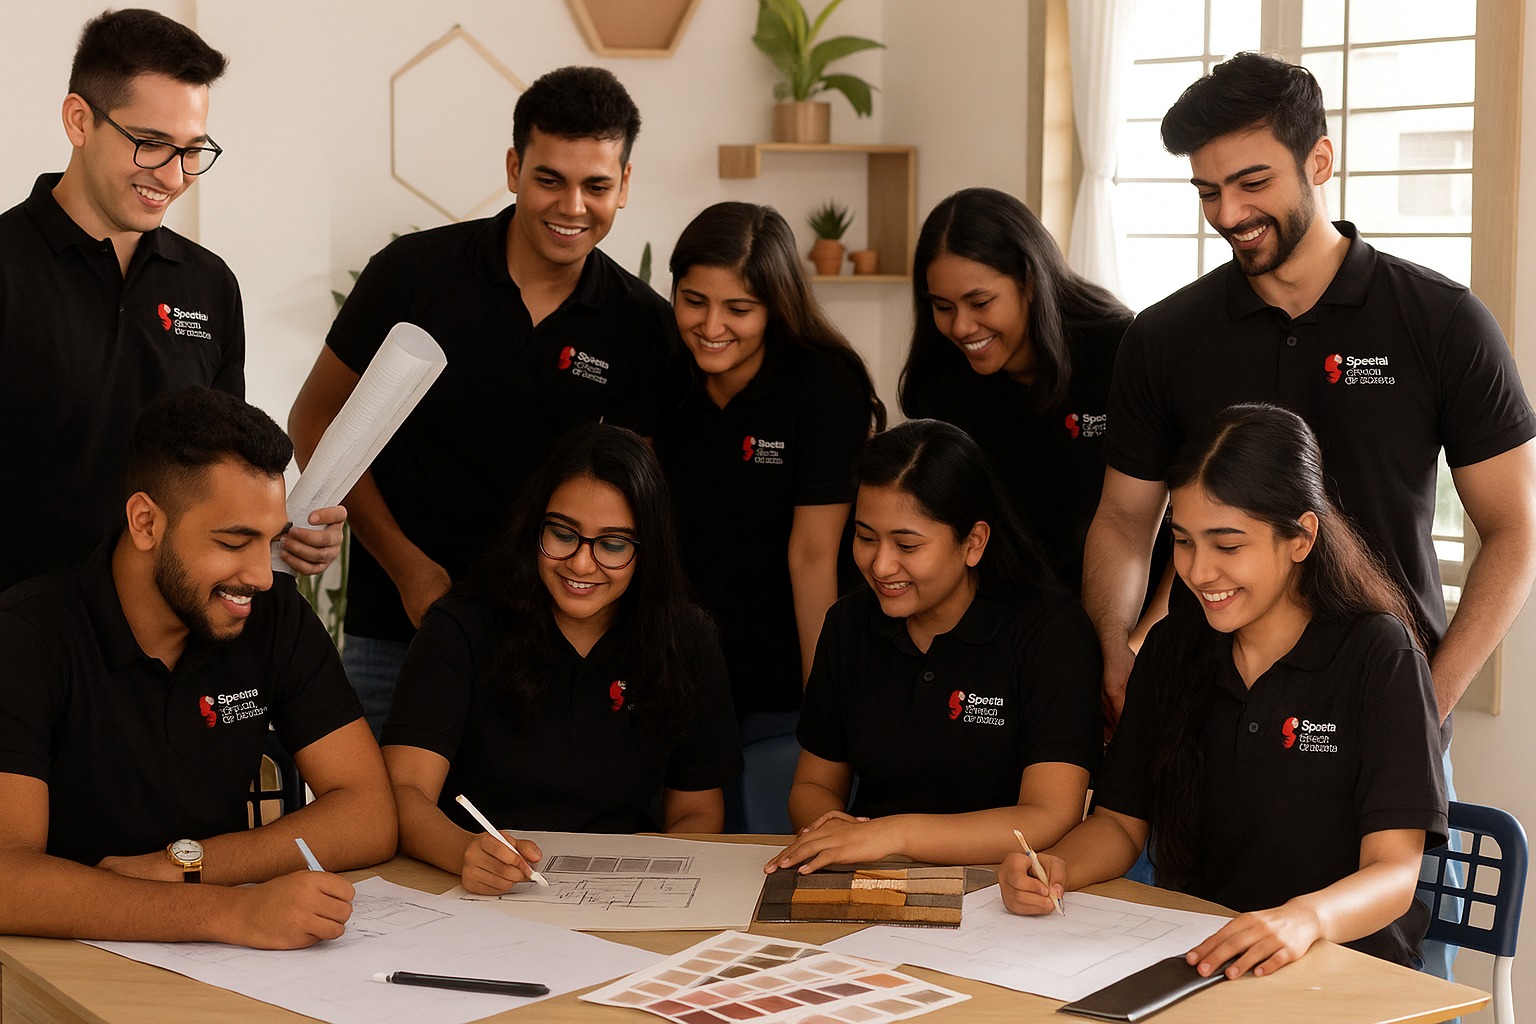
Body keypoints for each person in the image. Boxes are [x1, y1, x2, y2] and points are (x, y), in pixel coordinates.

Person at [1082, 53, 1536, 984]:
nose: (1228, 212)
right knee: (1206, 955)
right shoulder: (1165, 338)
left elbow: (1516, 528)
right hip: (1220, 709)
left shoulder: (1440, 321)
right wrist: (1118, 653)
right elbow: (1125, 523)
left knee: (1394, 977)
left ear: (1319, 161)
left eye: (1253, 183)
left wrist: (1428, 700)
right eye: (1208, 191)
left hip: (1384, 701)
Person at [290, 65, 673, 737]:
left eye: (596, 186)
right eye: (549, 179)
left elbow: (632, 496)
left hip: (548, 639)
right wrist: (406, 567)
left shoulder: (641, 323)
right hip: (396, 627)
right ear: (514, 168)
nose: (572, 207)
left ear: (625, 184)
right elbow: (316, 419)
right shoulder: (414, 273)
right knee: (377, 805)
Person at [1004, 404, 1445, 978]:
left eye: (1228, 546)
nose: (1199, 571)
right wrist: (1056, 866)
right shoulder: (1172, 648)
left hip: (1341, 967)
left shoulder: (1378, 655)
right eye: (1183, 542)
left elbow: (1393, 872)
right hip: (1203, 959)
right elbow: (1119, 823)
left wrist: (1302, 920)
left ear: (1301, 537)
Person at [0, 388, 395, 948]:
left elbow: (370, 813)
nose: (262, 576)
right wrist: (231, 912)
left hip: (225, 965)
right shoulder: (26, 636)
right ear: (145, 522)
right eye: (234, 542)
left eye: (272, 540)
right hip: (54, 964)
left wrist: (186, 865)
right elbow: (7, 878)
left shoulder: (272, 614)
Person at [0, 8, 344, 596]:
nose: (174, 175)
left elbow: (221, 472)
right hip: (24, 624)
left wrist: (277, 529)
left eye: (193, 150)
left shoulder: (209, 285)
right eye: (152, 144)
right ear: (79, 120)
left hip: (171, 627)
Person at [381, 424, 741, 894]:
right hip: (475, 889)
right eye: (563, 534)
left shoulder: (685, 638)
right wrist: (462, 851)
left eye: (613, 544)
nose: (581, 564)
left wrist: (647, 881)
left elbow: (697, 810)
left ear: (647, 549)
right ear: (535, 527)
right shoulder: (460, 627)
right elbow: (403, 791)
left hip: (622, 891)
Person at [765, 420, 1102, 874]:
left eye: (907, 545)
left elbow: (1050, 815)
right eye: (865, 538)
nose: (881, 565)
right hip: (872, 876)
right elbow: (812, 785)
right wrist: (834, 833)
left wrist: (891, 835)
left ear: (973, 542)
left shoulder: (1051, 632)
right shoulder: (849, 623)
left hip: (1002, 886)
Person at [655, 201, 884, 834]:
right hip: (684, 653)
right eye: (694, 301)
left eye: (739, 309)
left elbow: (812, 554)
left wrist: (821, 703)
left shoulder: (824, 382)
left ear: (776, 306)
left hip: (787, 655)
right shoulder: (663, 369)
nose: (711, 326)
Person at [899, 187, 1157, 597]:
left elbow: (1160, 518)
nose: (961, 327)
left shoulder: (1119, 350)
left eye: (980, 303)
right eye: (943, 307)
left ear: (1030, 281)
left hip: (1123, 601)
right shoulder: (939, 381)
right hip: (1007, 606)